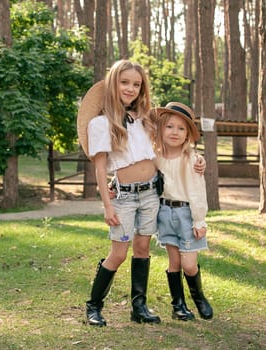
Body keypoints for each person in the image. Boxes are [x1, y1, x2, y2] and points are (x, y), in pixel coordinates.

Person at [76, 60, 205, 327]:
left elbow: (174, 141)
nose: (130, 88)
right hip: (124, 197)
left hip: (150, 194)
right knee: (119, 253)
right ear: (113, 83)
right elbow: (100, 169)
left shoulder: (145, 119)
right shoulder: (100, 124)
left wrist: (197, 158)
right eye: (125, 82)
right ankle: (94, 306)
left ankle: (139, 307)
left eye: (136, 84)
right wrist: (107, 206)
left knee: (143, 248)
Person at [152, 102, 213, 321]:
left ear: (187, 133)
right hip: (165, 214)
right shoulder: (155, 157)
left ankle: (199, 297)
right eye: (169, 127)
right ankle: (178, 305)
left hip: (186, 215)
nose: (174, 132)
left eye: (180, 128)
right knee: (174, 263)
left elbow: (197, 192)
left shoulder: (192, 160)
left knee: (188, 265)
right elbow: (137, 171)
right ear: (161, 129)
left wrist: (199, 220)